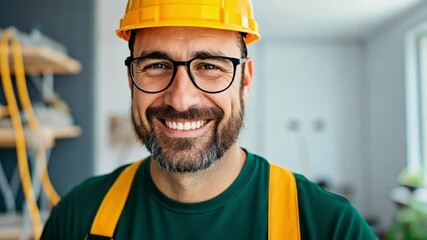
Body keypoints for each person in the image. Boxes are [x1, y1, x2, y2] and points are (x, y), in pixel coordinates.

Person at [41, 0, 377, 239]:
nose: (181, 98)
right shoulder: (79, 216)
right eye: (157, 66)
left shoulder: (328, 226)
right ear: (132, 80)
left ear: (245, 81)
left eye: (210, 66)